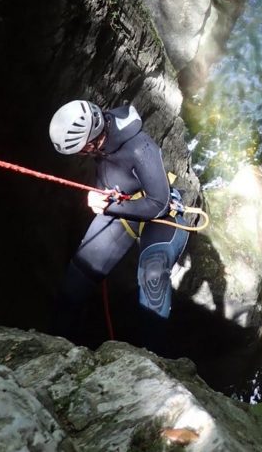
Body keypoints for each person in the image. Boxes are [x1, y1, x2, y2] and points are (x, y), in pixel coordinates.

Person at [48, 100, 189, 349]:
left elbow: (158, 203)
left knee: (152, 277)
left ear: (91, 142)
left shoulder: (139, 147)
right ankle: (57, 343)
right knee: (79, 274)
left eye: (81, 150)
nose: (83, 154)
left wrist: (108, 207)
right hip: (122, 209)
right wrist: (108, 199)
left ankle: (152, 359)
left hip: (161, 216)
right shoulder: (101, 144)